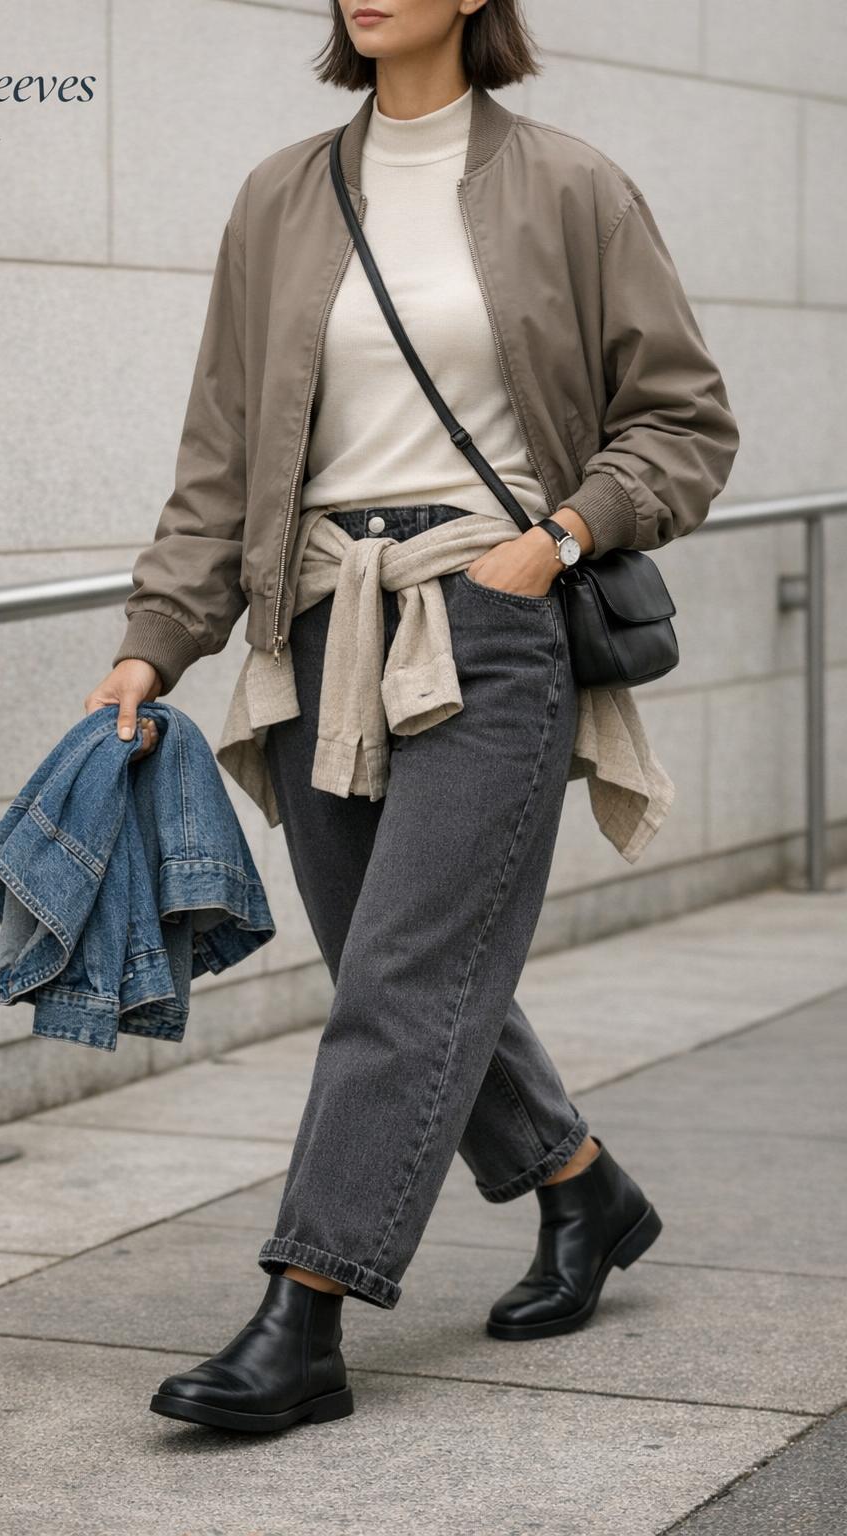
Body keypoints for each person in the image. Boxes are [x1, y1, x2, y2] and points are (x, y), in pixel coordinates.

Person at [84, 0, 738, 1434]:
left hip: (490, 622)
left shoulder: (569, 185)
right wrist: (155, 642)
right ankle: (586, 1191)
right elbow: (220, 453)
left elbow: (685, 422)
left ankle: (305, 1314)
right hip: (318, 625)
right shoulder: (281, 196)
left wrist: (557, 537)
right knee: (408, 968)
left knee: (401, 978)